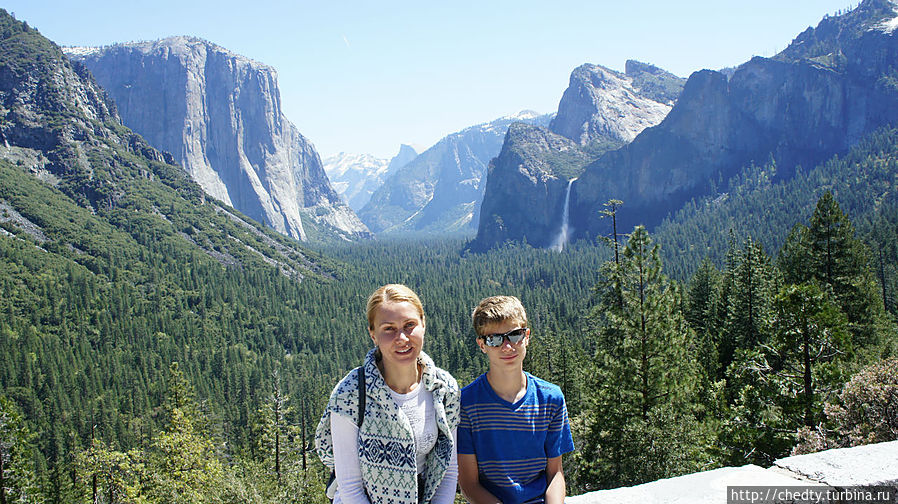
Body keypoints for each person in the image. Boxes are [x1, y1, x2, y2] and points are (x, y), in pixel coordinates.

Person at [315, 284, 460, 504]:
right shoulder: (350, 394)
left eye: (409, 325)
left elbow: (448, 470)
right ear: (373, 334)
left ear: (423, 324)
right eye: (389, 329)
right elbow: (351, 487)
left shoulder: (443, 388)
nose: (402, 338)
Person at [458, 296, 575, 504]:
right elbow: (469, 484)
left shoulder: (551, 398)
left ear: (527, 336)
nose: (507, 347)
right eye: (494, 339)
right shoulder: (466, 403)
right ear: (482, 345)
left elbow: (555, 473)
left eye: (514, 336)